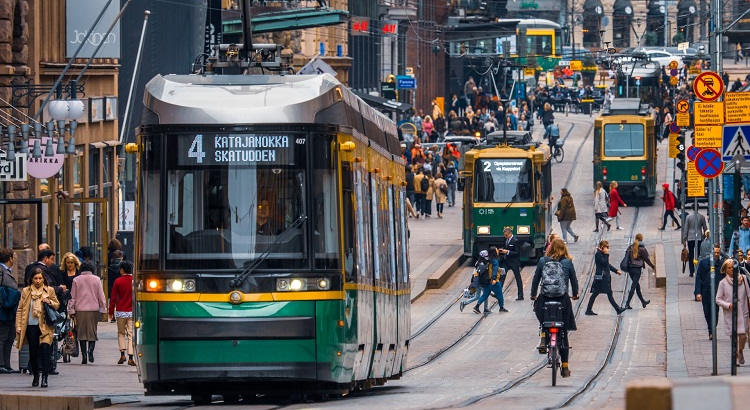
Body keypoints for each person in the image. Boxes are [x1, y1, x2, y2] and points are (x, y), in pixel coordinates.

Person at [530, 238, 579, 378]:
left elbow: (535, 279)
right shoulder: (568, 263)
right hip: (562, 301)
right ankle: (565, 366)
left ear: (550, 248)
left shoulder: (542, 261)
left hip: (545, 299)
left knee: (540, 313)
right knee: (563, 332)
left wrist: (533, 295)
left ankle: (544, 335)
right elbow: (574, 281)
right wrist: (575, 294)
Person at [15, 268, 59, 388]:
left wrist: (49, 301)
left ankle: (45, 377)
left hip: (45, 326)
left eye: (40, 278)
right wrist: (18, 326)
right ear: (31, 279)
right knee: (33, 354)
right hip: (30, 326)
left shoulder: (49, 290)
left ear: (43, 278)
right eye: (36, 278)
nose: (38, 281)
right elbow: (20, 309)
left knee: (45, 351)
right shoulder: (26, 291)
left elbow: (57, 304)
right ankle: (36, 375)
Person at [68, 263, 106, 364]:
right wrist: (103, 309)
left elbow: (73, 297)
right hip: (93, 309)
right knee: (92, 332)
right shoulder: (97, 279)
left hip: (80, 310)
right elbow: (101, 296)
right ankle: (91, 351)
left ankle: (84, 355)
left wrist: (71, 310)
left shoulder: (76, 280)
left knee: (81, 333)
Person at [715, 259, 750, 364]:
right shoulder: (723, 283)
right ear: (725, 270)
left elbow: (749, 294)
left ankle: (740, 351)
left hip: (743, 312)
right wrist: (727, 305)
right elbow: (718, 299)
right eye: (729, 268)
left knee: (743, 336)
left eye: (733, 267)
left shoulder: (743, 279)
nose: (731, 270)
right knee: (734, 338)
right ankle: (734, 359)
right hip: (731, 314)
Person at [585, 241, 625, 315]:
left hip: (603, 277)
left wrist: (616, 271)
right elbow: (604, 262)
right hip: (602, 278)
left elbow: (607, 265)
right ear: (602, 247)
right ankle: (618, 309)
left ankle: (588, 310)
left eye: (607, 247)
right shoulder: (598, 254)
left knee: (596, 293)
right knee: (607, 293)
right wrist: (606, 254)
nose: (607, 249)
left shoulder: (601, 254)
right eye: (606, 247)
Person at [695, 244, 726, 339]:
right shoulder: (703, 263)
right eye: (715, 252)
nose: (716, 254)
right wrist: (698, 292)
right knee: (707, 312)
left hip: (717, 293)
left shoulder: (721, 265)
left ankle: (712, 330)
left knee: (715, 312)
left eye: (718, 252)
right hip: (706, 292)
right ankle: (710, 329)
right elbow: (699, 278)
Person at [108, 261, 135, 366]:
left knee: (121, 333)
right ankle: (131, 357)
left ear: (122, 269)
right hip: (132, 312)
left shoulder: (118, 281)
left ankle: (122, 354)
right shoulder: (134, 281)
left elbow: (113, 297)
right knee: (131, 334)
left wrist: (111, 312)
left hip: (120, 311)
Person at [0, 248, 19, 373]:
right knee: (2, 338)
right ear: (10, 258)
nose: (15, 259)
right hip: (3, 311)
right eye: (14, 257)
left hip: (10, 310)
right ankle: (1, 364)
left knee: (9, 337)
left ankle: (7, 364)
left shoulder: (7, 271)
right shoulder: (1, 272)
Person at [623, 233, 655, 309]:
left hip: (630, 269)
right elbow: (647, 259)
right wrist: (652, 266)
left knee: (637, 286)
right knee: (633, 286)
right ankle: (627, 303)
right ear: (642, 239)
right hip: (637, 270)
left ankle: (643, 302)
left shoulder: (630, 247)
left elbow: (626, 257)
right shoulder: (642, 249)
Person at [682, 210, 707, 277]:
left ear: (691, 208)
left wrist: (684, 239)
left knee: (691, 255)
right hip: (699, 237)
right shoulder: (702, 217)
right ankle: (699, 269)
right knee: (699, 255)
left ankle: (691, 271)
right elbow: (705, 228)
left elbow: (686, 229)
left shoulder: (688, 217)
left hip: (690, 238)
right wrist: (704, 237)